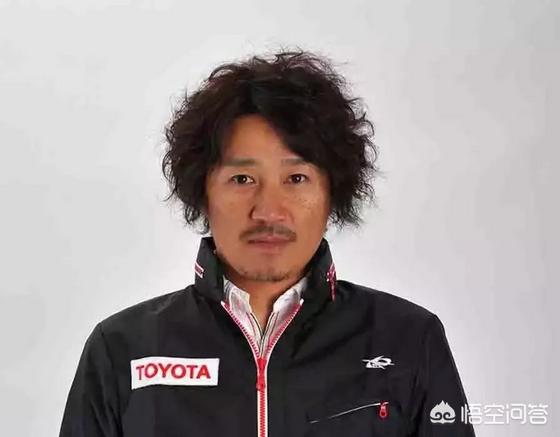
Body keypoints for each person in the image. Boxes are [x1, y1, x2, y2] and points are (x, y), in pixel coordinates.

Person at [59, 50, 476, 437]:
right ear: (203, 192)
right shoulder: (123, 348)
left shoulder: (408, 339)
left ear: (333, 193)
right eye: (242, 179)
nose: (269, 211)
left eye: (296, 178)